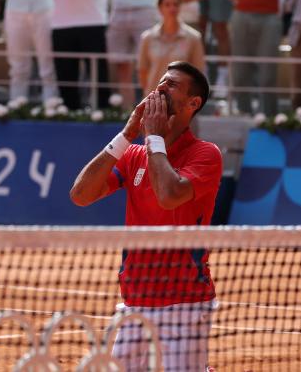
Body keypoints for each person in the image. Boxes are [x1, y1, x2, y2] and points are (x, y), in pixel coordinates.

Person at [69, 61, 222, 372]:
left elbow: (169, 195)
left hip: (185, 305)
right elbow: (81, 195)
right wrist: (128, 133)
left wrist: (153, 138)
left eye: (172, 85)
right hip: (135, 302)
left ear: (193, 104)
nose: (161, 88)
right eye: (161, 82)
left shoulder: (206, 154)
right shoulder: (133, 154)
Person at [138, 0, 205, 92]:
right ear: (160, 8)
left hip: (181, 103)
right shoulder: (147, 38)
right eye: (167, 5)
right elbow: (143, 73)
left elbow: (198, 74)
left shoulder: (194, 38)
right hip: (154, 102)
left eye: (175, 4)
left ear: (180, 7)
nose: (172, 8)